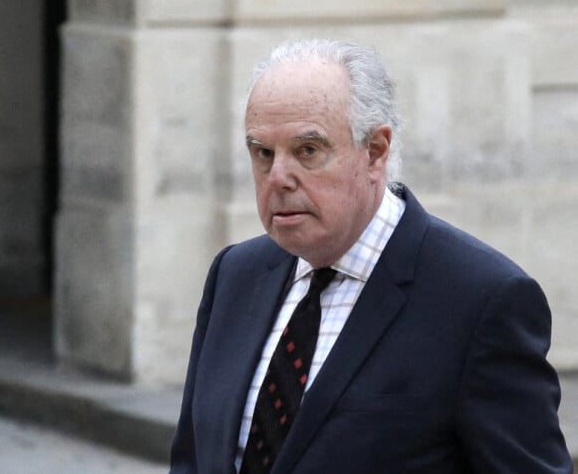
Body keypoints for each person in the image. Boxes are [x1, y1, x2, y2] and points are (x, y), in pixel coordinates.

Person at [170, 39, 572, 473]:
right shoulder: (235, 275)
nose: (279, 178)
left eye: (308, 151)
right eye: (263, 154)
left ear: (375, 151)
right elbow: (194, 459)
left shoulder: (480, 300)